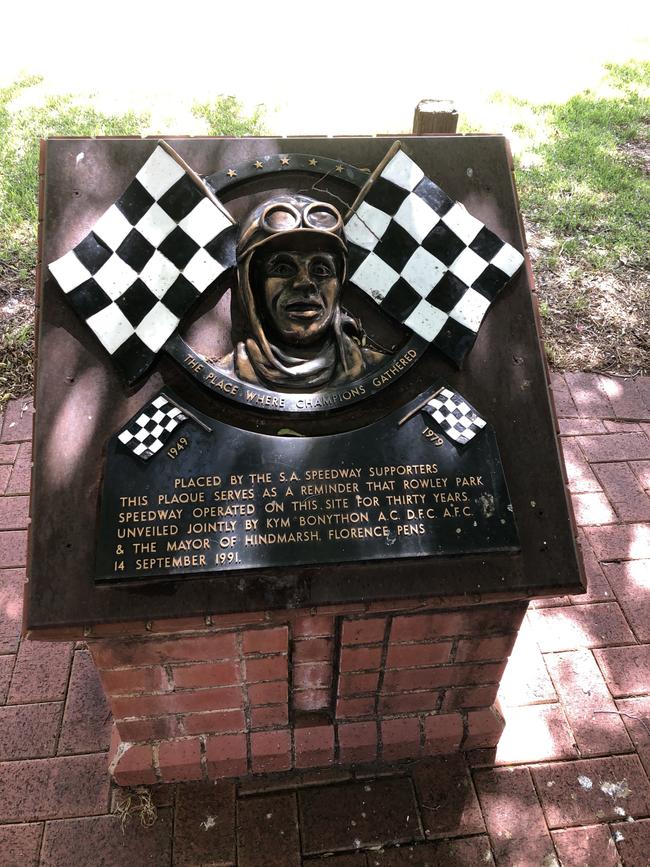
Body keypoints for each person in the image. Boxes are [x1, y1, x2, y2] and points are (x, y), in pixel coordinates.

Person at [218, 194, 384, 390]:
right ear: (252, 286)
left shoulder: (375, 367)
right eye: (282, 269)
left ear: (339, 283)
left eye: (322, 270)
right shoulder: (223, 374)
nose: (304, 283)